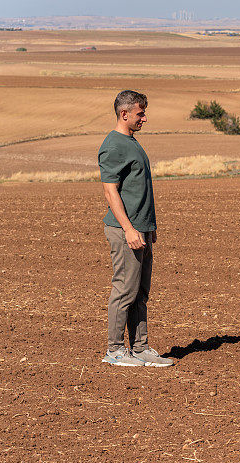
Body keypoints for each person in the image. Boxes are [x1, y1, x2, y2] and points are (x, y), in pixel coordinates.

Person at [99, 90, 173, 367]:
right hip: (124, 230)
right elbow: (110, 192)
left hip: (141, 229)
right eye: (140, 113)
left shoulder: (131, 142)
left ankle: (140, 347)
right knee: (124, 290)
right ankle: (115, 350)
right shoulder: (114, 145)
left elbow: (140, 190)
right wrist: (129, 229)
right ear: (124, 114)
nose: (145, 118)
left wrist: (148, 226)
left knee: (141, 292)